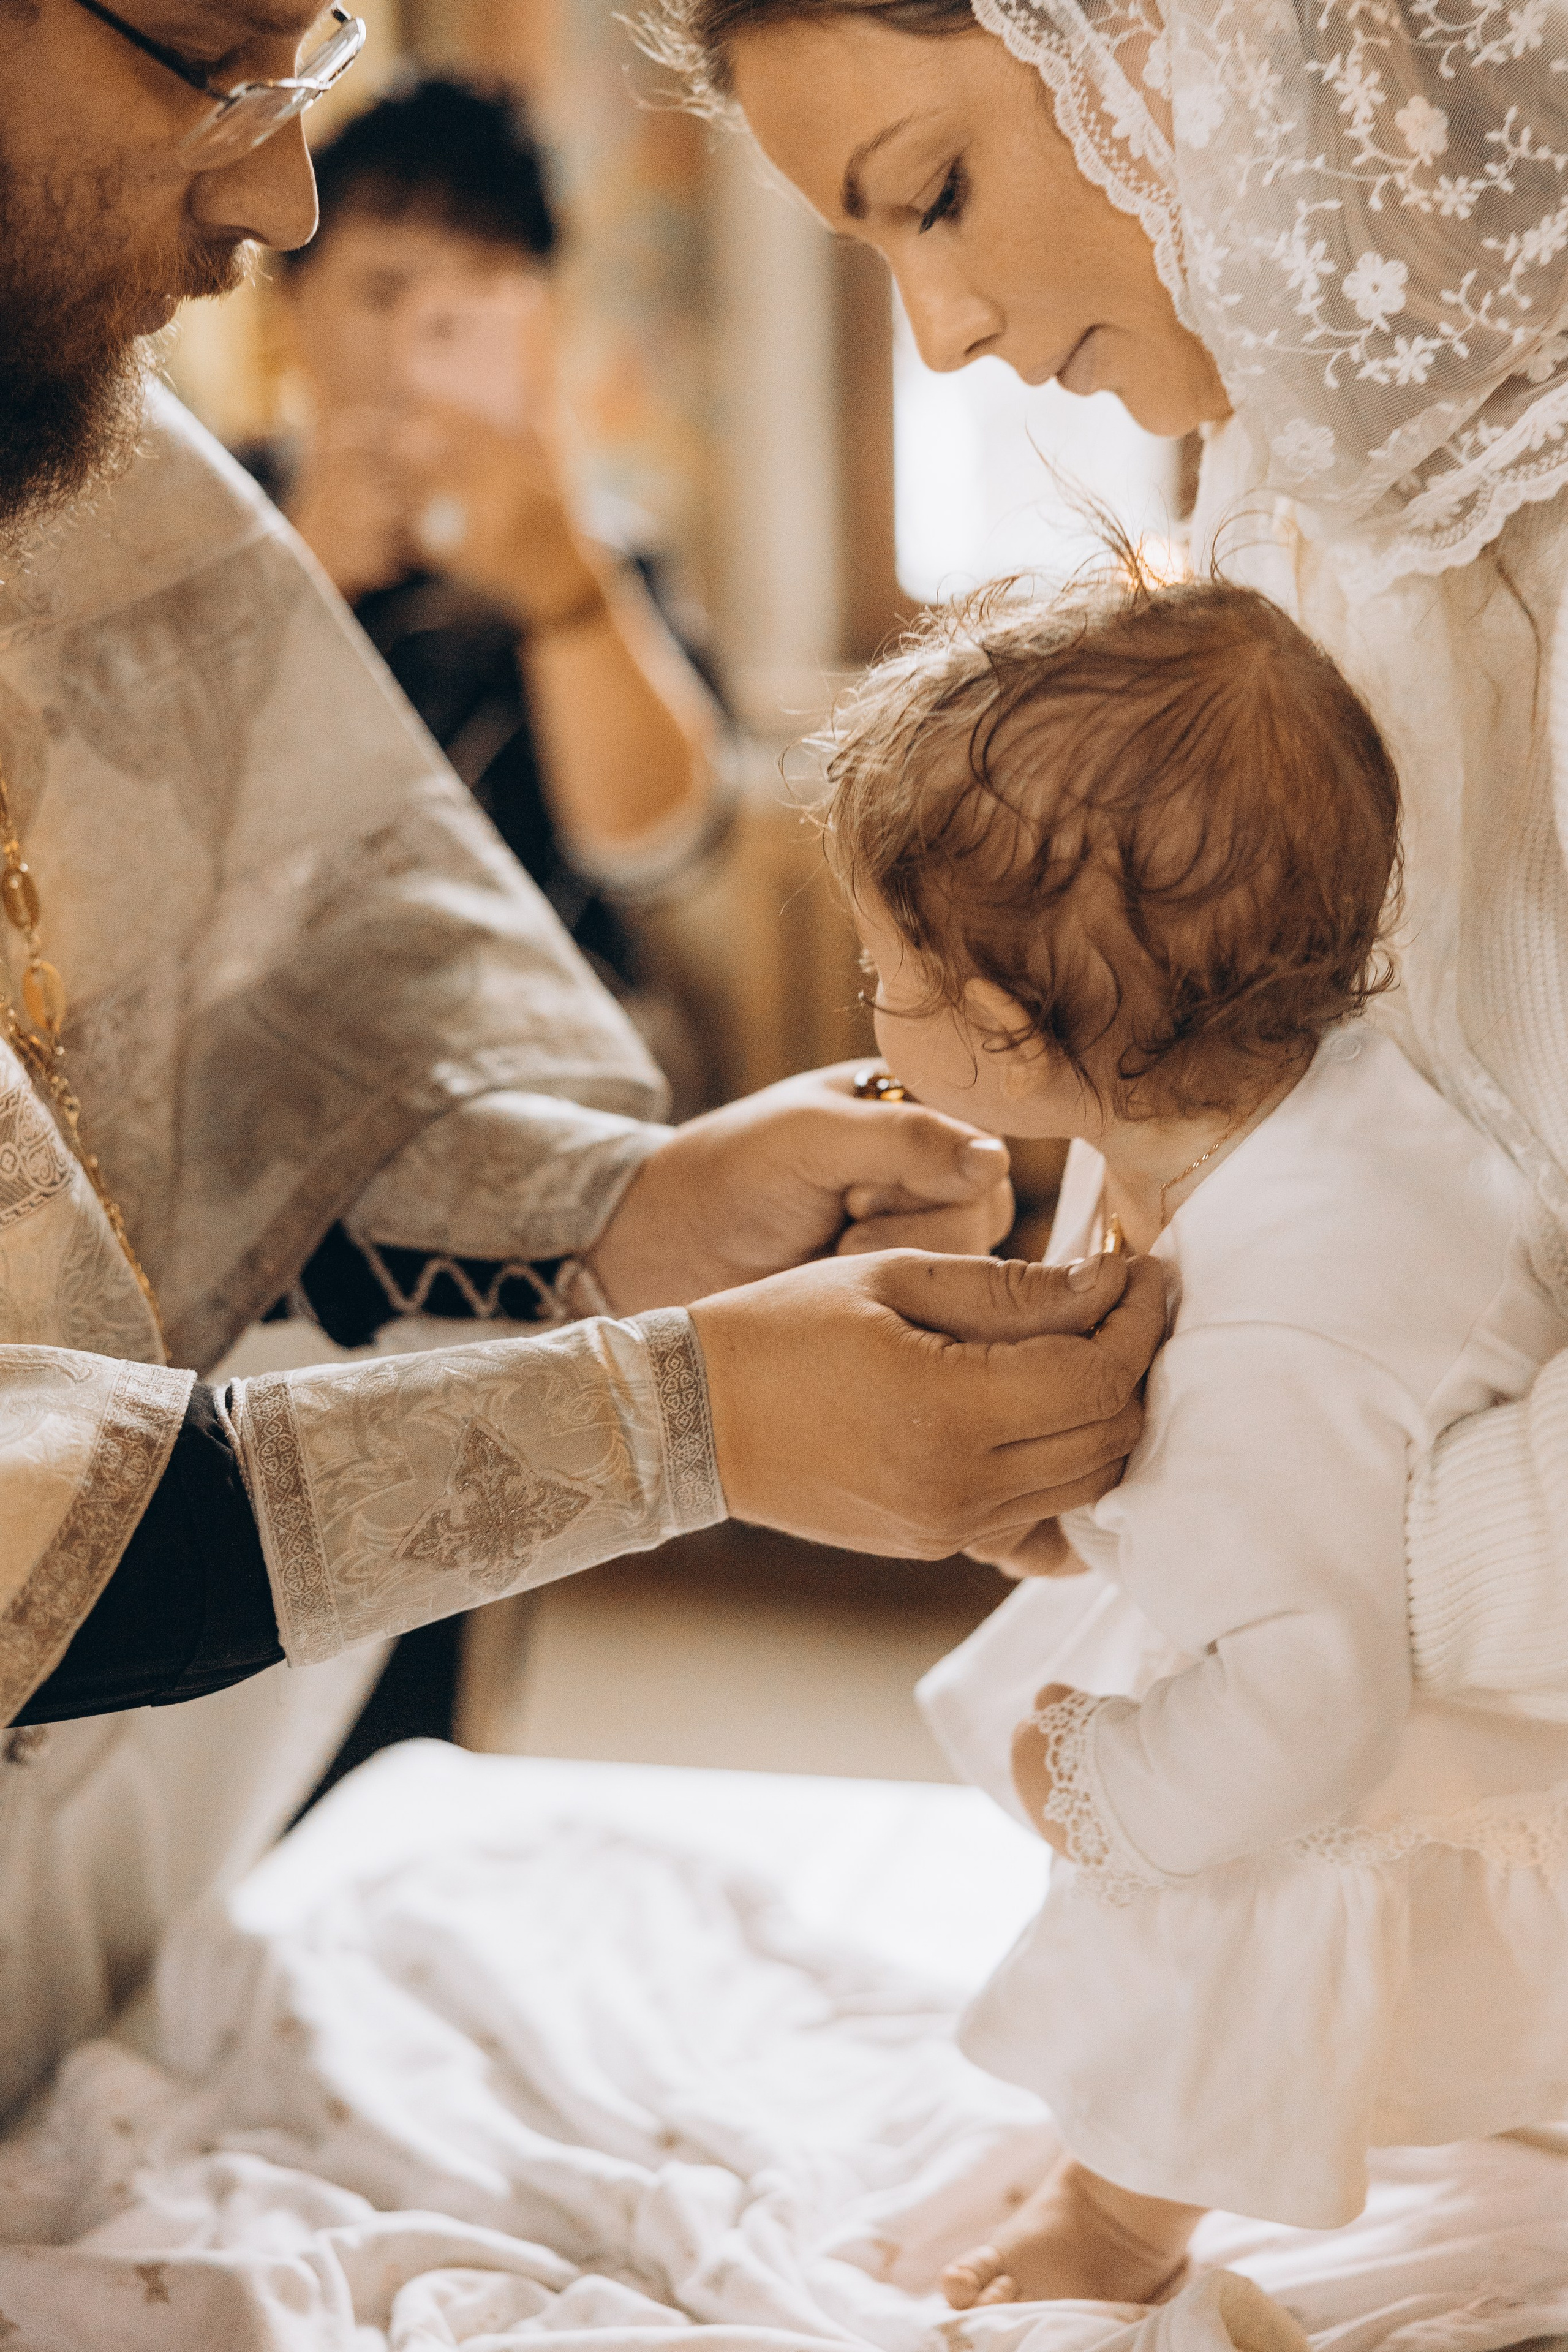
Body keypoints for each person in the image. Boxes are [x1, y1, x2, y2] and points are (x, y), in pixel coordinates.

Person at [0, 0, 1169, 2120]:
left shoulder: (83, 460)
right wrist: (681, 1419)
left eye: (315, 64)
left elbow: (250, 1045)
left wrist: (611, 1215)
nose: (280, 190)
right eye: (220, 70)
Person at [638, 0, 1568, 1900]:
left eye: (937, 196)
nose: (943, 331)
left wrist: (1324, 1539)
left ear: (1175, 46)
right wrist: (1132, 1443)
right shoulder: (1287, 529)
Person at [826, 563, 1568, 2301]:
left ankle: (1120, 2218)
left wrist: (1100, 1788)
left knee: (1215, 1899)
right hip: (1343, 1564)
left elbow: (1311, 1695)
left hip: (1380, 1708)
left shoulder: (1277, 1338)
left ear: (1010, 1033)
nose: (868, 1005)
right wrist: (1094, 1522)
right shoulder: (1285, 1083)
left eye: (881, 973)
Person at [252, 75, 725, 1040]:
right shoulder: (219, 513)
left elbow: (661, 847)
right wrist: (298, 577)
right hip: (273, 1044)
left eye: (474, 301)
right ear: (292, 306)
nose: (418, 338)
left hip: (547, 1043)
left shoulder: (601, 544)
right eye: (383, 293)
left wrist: (568, 593)